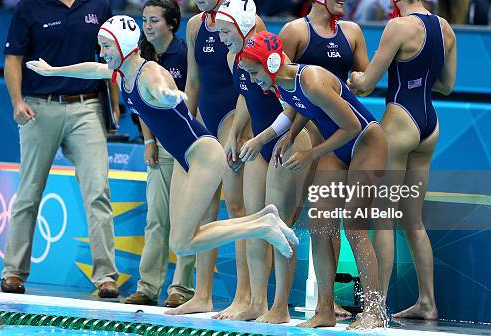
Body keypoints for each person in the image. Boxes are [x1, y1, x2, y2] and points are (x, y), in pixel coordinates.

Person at [25, 15, 298, 273]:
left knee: (181, 243)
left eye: (107, 46)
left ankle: (262, 225)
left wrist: (168, 97)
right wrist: (52, 71)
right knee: (181, 241)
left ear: (123, 45)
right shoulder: (122, 73)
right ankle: (262, 220)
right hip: (188, 157)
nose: (102, 52)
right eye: (101, 46)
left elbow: (159, 89)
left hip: (204, 155)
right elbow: (92, 70)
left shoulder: (149, 74)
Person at [240, 31, 388, 329]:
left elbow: (352, 125)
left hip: (366, 142)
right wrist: (288, 136)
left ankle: (375, 311)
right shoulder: (281, 83)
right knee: (320, 225)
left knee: (354, 227)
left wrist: (311, 154)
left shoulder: (313, 81)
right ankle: (324, 310)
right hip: (338, 145)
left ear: (270, 63)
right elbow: (300, 109)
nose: (254, 80)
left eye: (254, 73)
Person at [1, 0, 119, 298]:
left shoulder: (98, 5)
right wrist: (17, 101)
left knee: (97, 191)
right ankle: (13, 272)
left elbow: (111, 59)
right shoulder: (29, 7)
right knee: (28, 194)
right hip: (41, 108)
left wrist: (113, 107)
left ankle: (105, 276)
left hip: (86, 107)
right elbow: (12, 59)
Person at [348, 0, 457, 321]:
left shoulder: (398, 26)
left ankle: (376, 309)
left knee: (383, 219)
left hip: (399, 122)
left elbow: (367, 83)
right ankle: (428, 302)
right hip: (429, 124)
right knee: (413, 221)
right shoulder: (445, 28)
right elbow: (446, 85)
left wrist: (349, 79)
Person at [279, 0, 370, 320]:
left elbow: (363, 80)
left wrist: (357, 82)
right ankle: (279, 301)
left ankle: (326, 300)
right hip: (306, 130)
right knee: (297, 212)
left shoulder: (352, 31)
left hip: (340, 131)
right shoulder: (295, 31)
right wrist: (284, 133)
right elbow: (278, 82)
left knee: (328, 219)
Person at [215, 0, 312, 323]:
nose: (220, 36)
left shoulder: (272, 56)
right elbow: (247, 94)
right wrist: (234, 135)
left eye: (226, 30)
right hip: (259, 142)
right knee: (257, 225)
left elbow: (294, 106)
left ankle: (280, 306)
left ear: (243, 27)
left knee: (280, 225)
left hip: (286, 140)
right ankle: (256, 301)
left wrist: (260, 139)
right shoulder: (234, 57)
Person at [177, 0, 264, 318]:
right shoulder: (195, 25)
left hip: (236, 120)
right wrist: (186, 123)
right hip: (205, 122)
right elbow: (193, 80)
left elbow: (253, 82)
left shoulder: (248, 22)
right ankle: (202, 294)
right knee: (203, 207)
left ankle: (244, 296)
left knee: (237, 206)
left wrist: (240, 129)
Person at [123, 0, 195, 309]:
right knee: (155, 218)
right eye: (145, 20)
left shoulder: (185, 54)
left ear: (171, 24)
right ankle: (148, 286)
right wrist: (148, 141)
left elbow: (191, 99)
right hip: (158, 143)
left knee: (184, 219)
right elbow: (143, 106)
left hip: (186, 144)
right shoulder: (141, 54)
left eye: (154, 20)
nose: (147, 26)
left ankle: (181, 288)